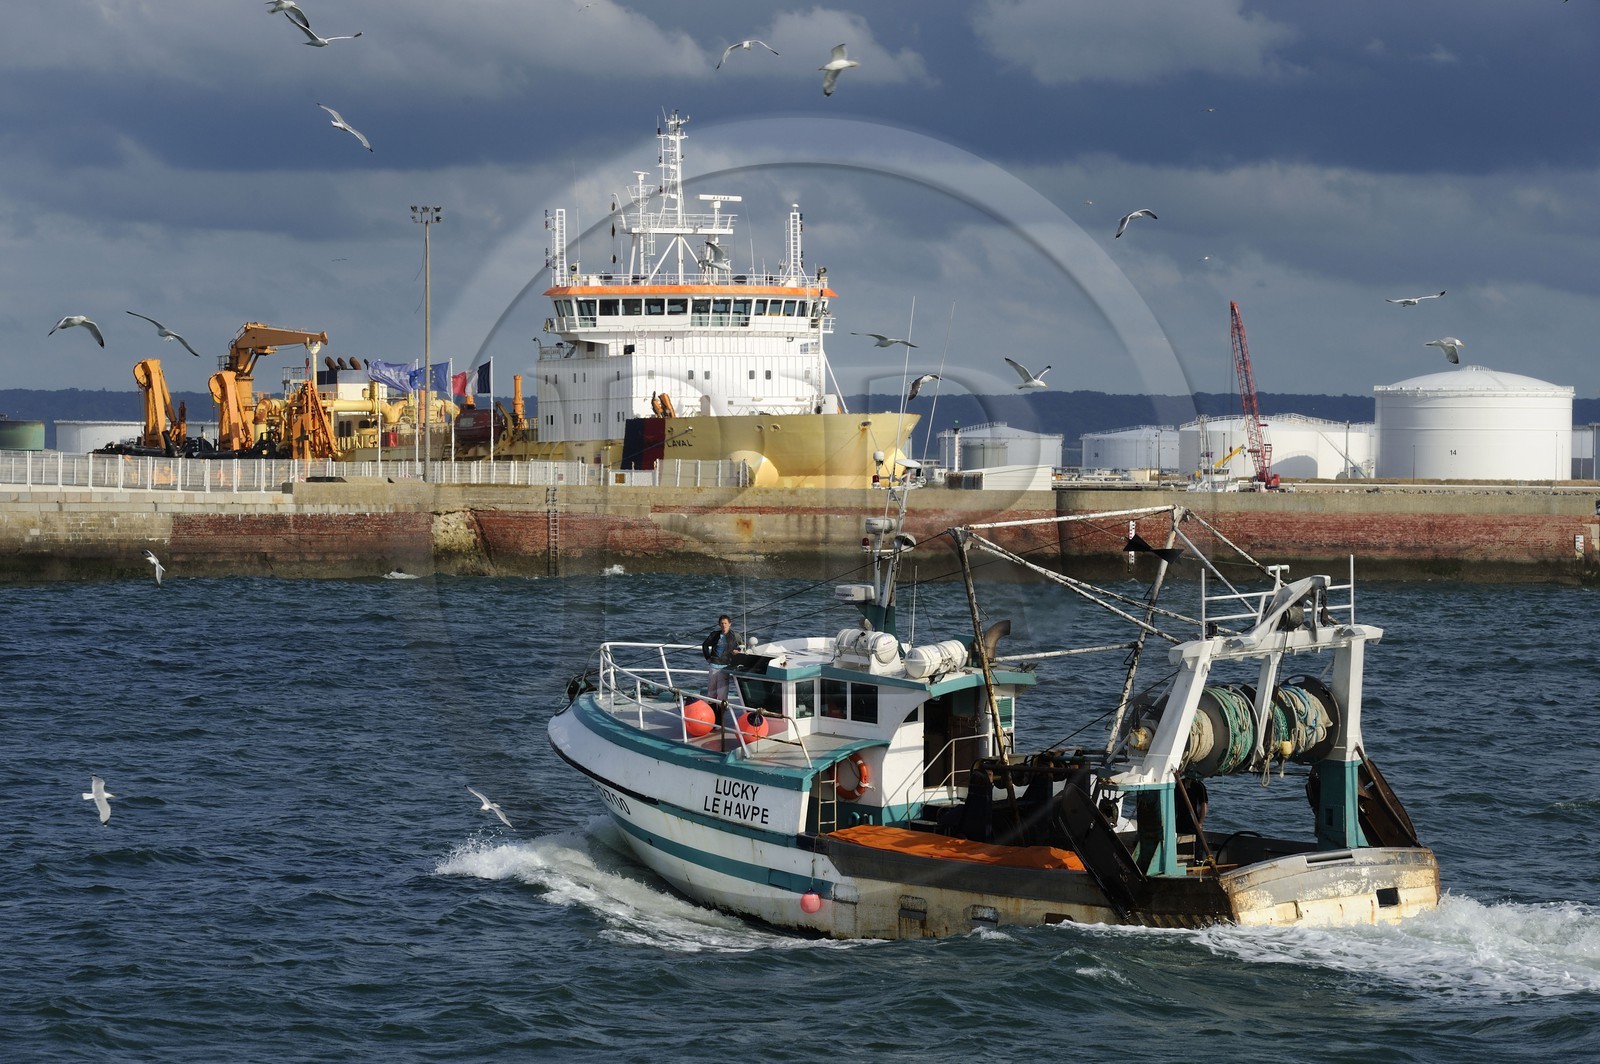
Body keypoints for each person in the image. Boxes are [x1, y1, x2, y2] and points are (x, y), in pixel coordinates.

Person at [702, 614, 741, 702]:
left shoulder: (735, 635)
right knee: (711, 692)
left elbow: (742, 646)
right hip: (713, 665)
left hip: (725, 666)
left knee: (722, 693)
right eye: (722, 623)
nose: (724, 625)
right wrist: (708, 658)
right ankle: (712, 711)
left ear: (730, 624)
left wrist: (737, 650)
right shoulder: (715, 635)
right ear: (719, 624)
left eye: (725, 623)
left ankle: (721, 712)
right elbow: (705, 645)